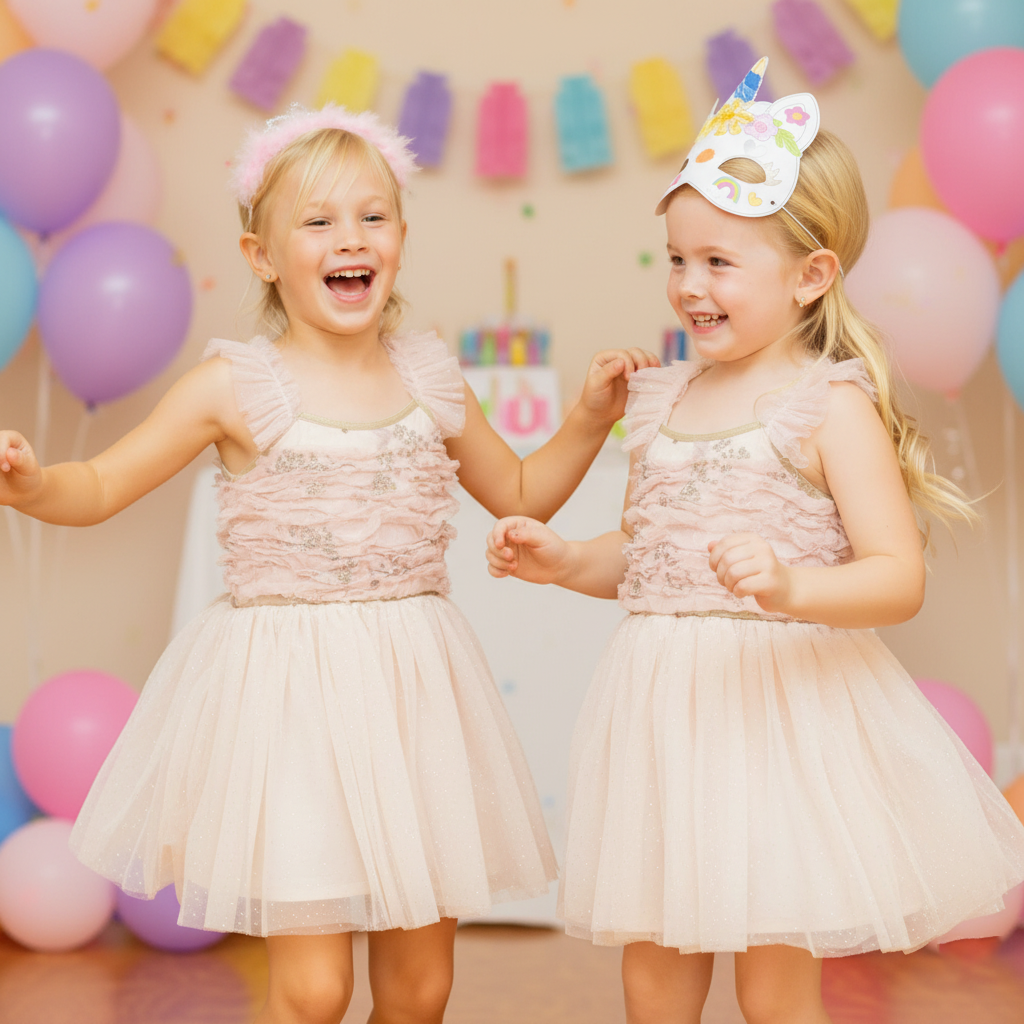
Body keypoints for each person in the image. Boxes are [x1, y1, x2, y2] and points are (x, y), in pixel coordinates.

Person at [0, 105, 657, 1024]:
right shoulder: (233, 386)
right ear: (262, 255)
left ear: (398, 239)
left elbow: (515, 491)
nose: (351, 238)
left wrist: (589, 418)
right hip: (289, 704)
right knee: (311, 992)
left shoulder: (427, 374)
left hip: (414, 694)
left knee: (422, 985)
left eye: (373, 217)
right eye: (317, 222)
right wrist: (33, 486)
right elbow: (102, 485)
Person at [485, 60, 1024, 1024]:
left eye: (720, 263)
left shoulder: (828, 407)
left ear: (811, 274)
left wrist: (791, 589)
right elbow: (651, 559)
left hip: (774, 725)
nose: (691, 286)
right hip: (660, 721)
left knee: (776, 988)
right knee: (654, 981)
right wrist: (567, 561)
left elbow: (898, 579)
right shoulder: (658, 402)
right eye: (678, 259)